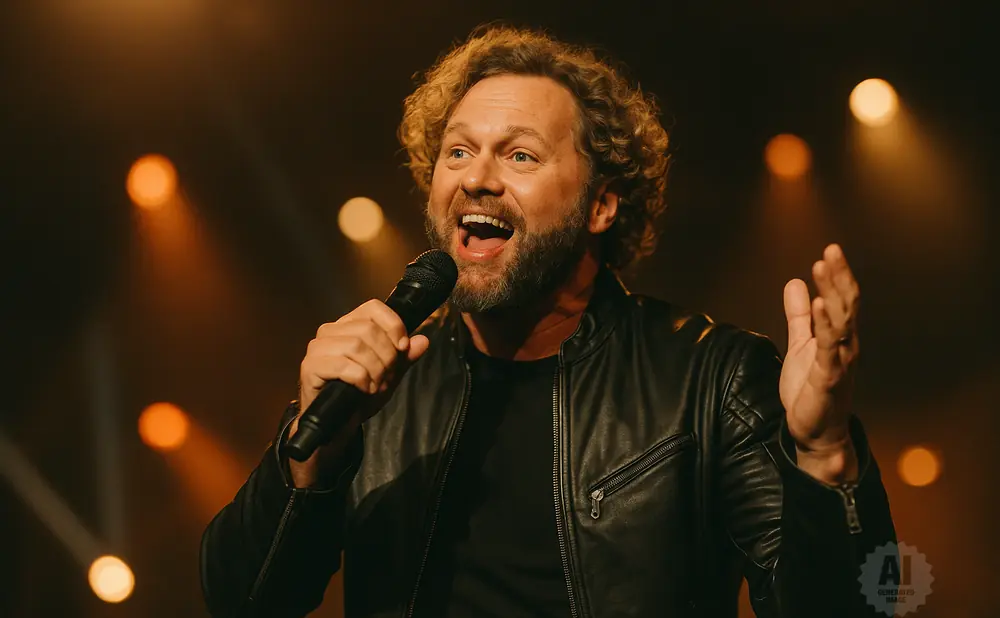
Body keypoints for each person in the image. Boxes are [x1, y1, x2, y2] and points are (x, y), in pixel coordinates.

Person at [200, 26, 896, 618]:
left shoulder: (710, 377)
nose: (477, 177)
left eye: (520, 154)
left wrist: (825, 455)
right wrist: (311, 452)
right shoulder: (380, 382)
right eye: (459, 150)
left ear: (600, 206)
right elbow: (242, 601)